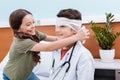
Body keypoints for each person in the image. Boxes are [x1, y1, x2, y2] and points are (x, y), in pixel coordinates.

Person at [2, 9, 89, 80]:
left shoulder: (34, 34)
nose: (33, 26)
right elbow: (48, 47)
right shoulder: (21, 42)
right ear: (17, 29)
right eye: (28, 24)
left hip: (27, 74)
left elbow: (55, 39)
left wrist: (76, 39)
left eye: (33, 22)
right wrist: (76, 37)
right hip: (12, 77)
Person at [48, 8, 95, 80]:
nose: (57, 30)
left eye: (62, 26)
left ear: (74, 30)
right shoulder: (56, 50)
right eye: (57, 26)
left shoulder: (84, 56)